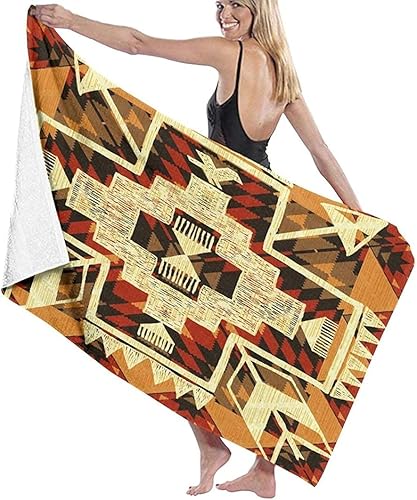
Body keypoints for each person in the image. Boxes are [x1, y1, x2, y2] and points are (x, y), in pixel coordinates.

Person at [31, 1, 362, 498]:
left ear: (259, 9)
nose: (224, 15)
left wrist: (70, 22)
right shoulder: (283, 74)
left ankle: (212, 447)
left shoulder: (233, 54)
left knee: (171, 322)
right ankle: (263, 470)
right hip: (259, 213)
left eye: (235, 5)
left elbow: (139, 43)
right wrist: (361, 220)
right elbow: (321, 153)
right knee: (257, 340)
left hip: (220, 211)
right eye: (220, 5)